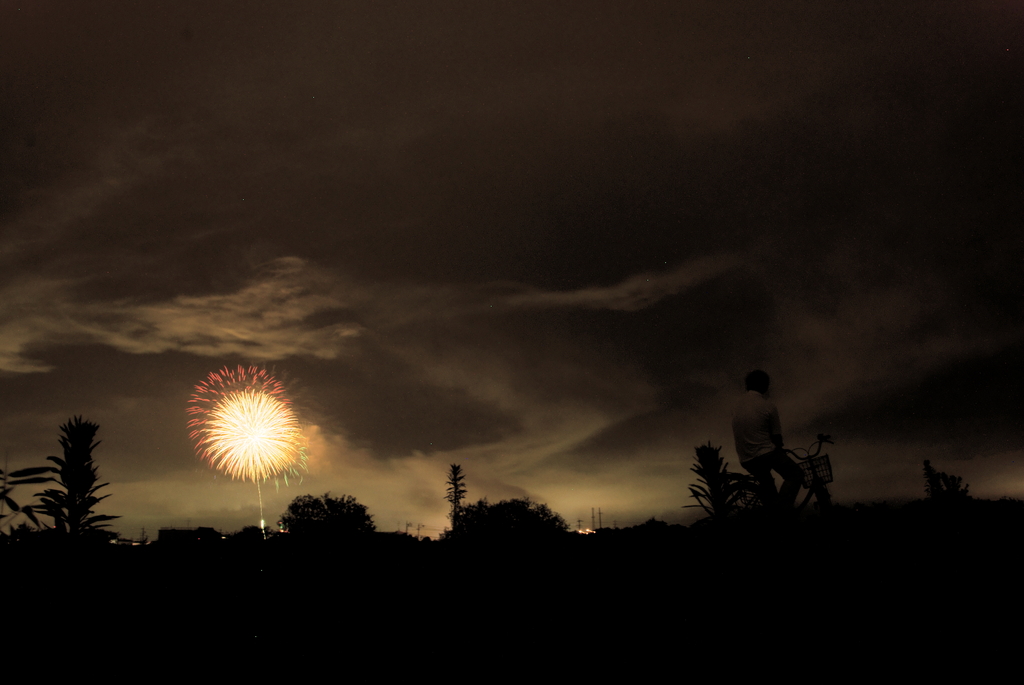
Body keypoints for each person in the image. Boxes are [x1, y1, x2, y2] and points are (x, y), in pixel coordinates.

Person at [732, 370, 803, 510]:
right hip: (765, 454)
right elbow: (777, 437)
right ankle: (782, 511)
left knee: (769, 489)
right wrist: (780, 448)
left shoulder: (737, 405)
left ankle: (772, 516)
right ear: (764, 385)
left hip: (746, 458)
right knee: (795, 474)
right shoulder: (768, 406)